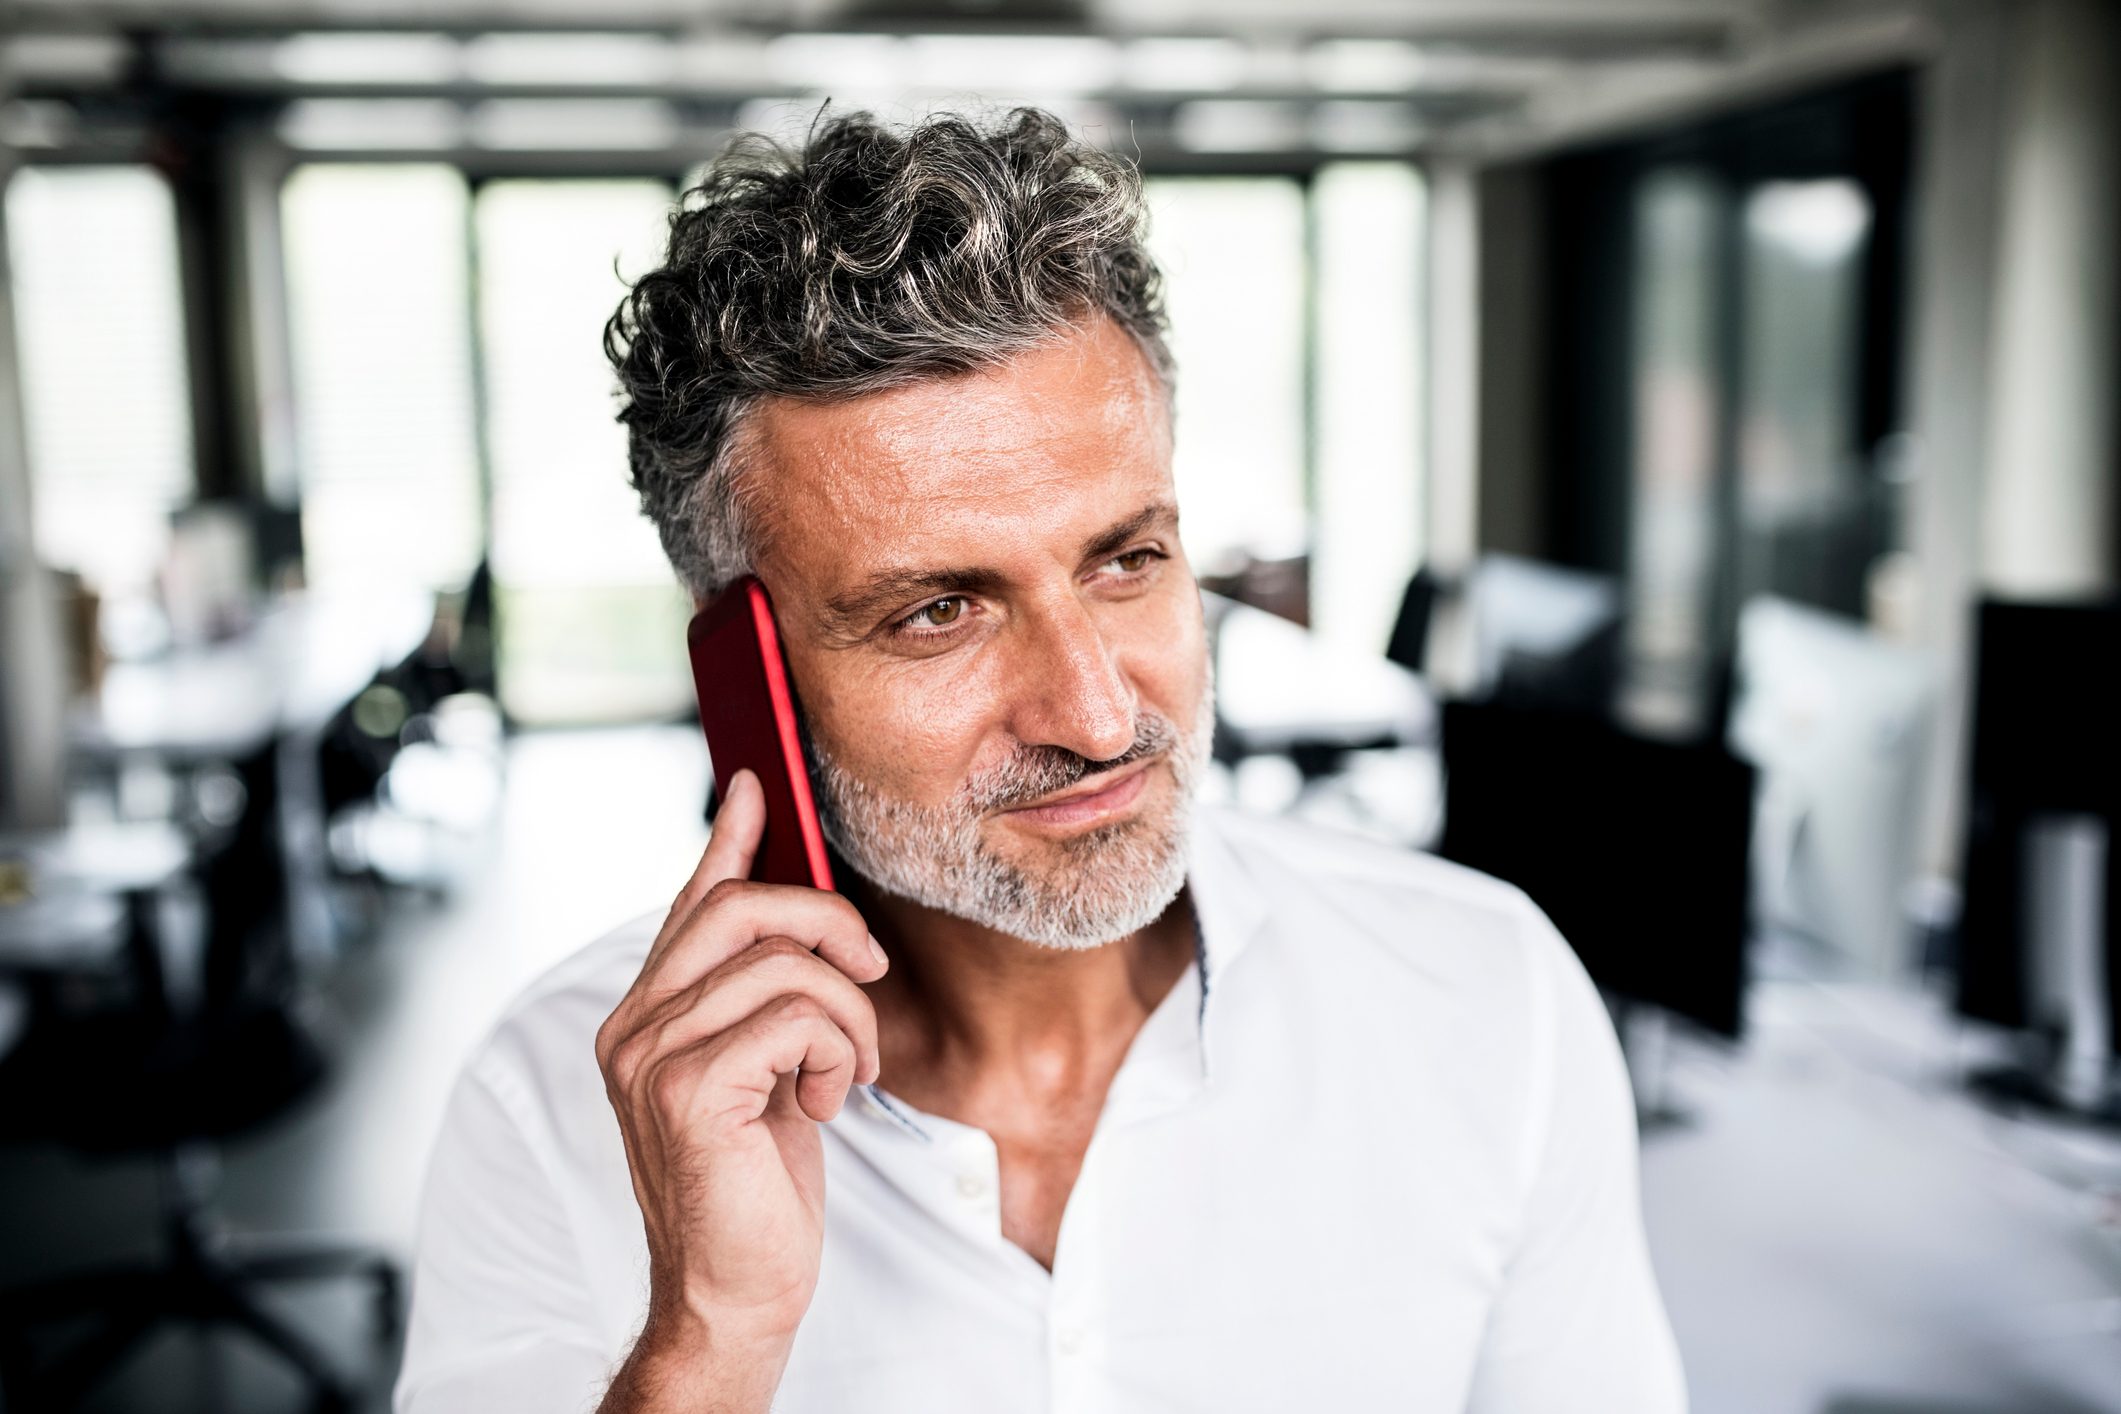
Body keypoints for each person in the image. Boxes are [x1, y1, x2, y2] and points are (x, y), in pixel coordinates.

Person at [395, 108, 1685, 1414]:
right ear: (748, 684)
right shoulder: (552, 1103)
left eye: (1126, 558)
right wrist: (707, 1342)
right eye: (936, 610)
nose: (1095, 709)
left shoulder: (1487, 999)